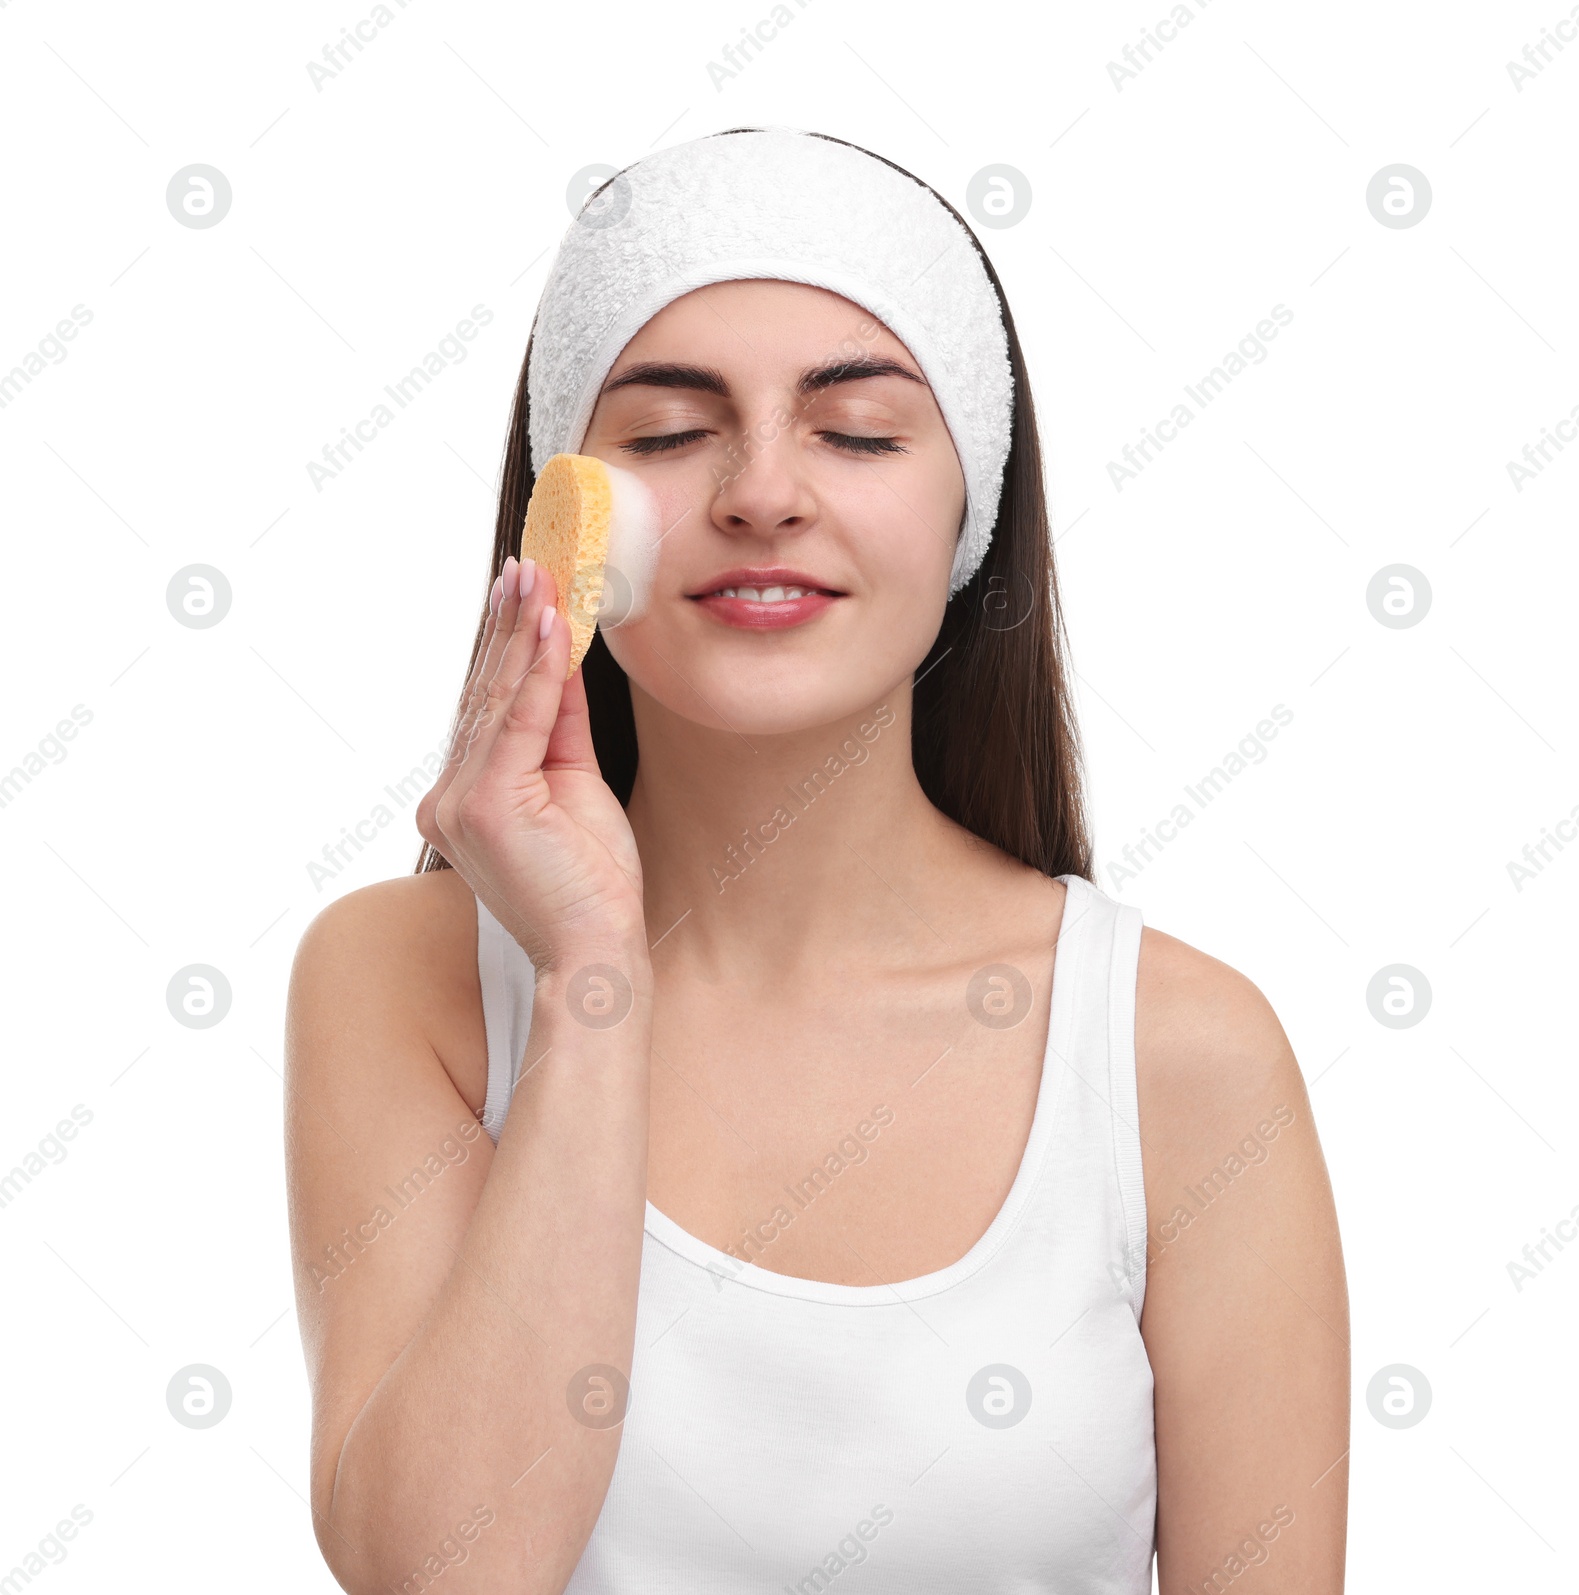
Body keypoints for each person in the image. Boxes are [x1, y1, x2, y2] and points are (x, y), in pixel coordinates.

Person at [284, 128, 1348, 1594]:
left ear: (968, 508)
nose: (762, 493)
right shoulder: (399, 987)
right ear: (563, 520)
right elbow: (443, 1573)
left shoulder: (1181, 1055)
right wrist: (592, 975)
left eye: (856, 432)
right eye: (666, 433)